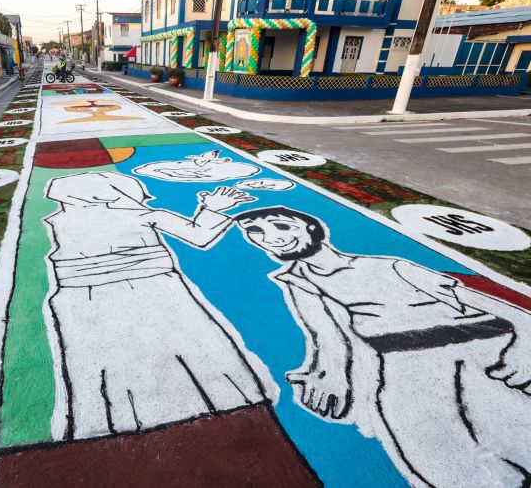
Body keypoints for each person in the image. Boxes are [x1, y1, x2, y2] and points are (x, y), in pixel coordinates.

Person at [234, 205, 531, 488]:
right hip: (402, 363)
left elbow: (478, 302)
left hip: (480, 349)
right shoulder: (297, 280)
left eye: (282, 226)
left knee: (514, 435)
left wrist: (522, 341)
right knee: (438, 459)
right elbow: (326, 335)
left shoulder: (387, 266)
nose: (271, 237)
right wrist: (326, 376)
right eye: (256, 233)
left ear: (312, 227)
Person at [43, 172, 278, 441]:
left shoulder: (58, 223)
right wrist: (212, 209)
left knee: (104, 368)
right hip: (151, 288)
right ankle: (238, 412)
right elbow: (199, 235)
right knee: (196, 348)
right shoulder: (144, 215)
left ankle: (103, 428)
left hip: (80, 298)